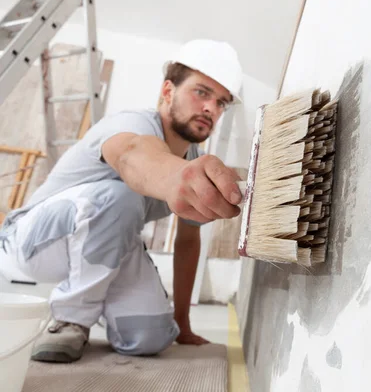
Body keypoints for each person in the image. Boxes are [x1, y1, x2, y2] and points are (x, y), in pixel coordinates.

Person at [0, 39, 244, 363]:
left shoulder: (195, 159)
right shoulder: (131, 124)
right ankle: (71, 319)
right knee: (121, 194)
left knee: (152, 337)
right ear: (168, 91)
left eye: (221, 102)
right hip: (33, 242)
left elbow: (188, 242)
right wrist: (176, 177)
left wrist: (182, 322)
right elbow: (133, 156)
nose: (211, 109)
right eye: (201, 92)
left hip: (106, 246)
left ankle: (97, 296)